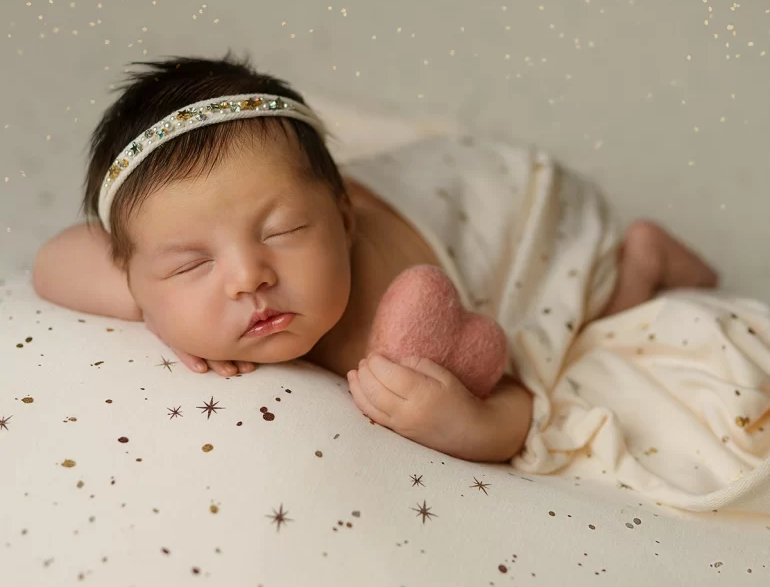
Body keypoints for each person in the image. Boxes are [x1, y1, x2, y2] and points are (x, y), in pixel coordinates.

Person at [32, 53, 719, 465]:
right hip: (423, 182)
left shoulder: (382, 324)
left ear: (342, 219)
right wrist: (152, 305)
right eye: (189, 265)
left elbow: (520, 400)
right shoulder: (156, 267)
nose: (248, 278)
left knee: (589, 326)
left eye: (282, 231)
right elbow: (51, 263)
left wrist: (469, 424)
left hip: (521, 210)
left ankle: (645, 261)